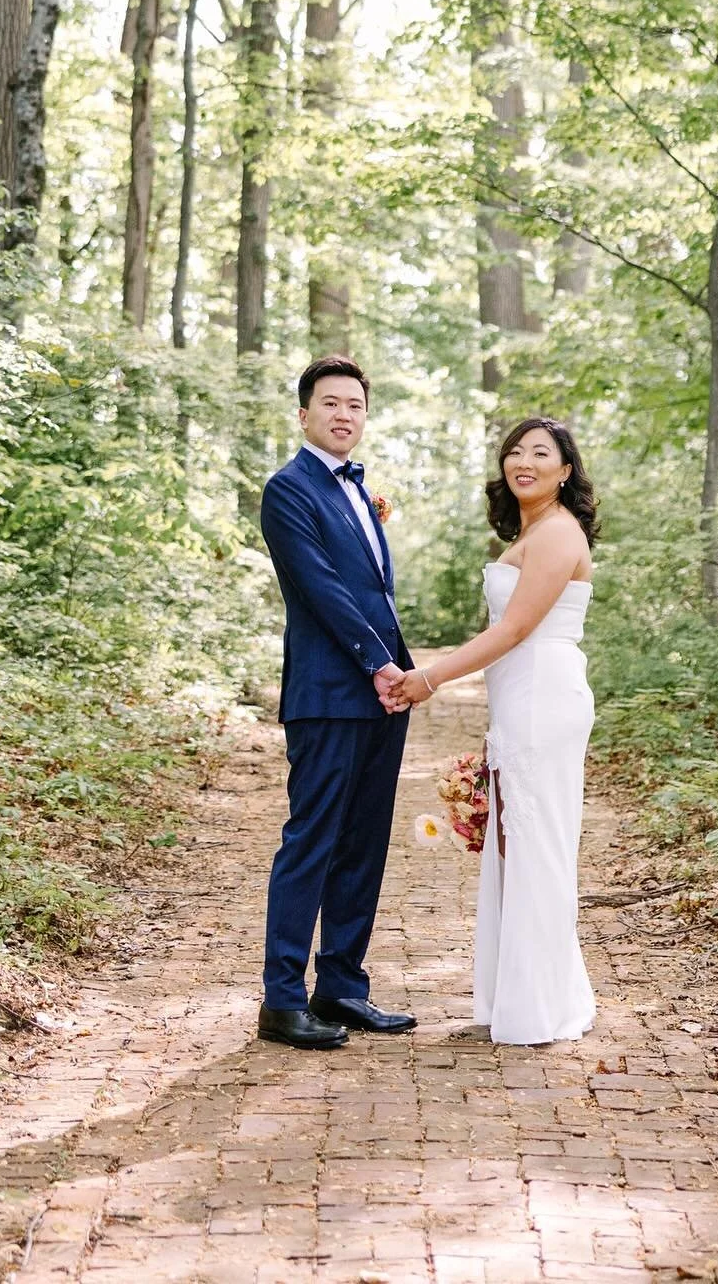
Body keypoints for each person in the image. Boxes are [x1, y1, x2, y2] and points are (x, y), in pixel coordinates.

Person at [394, 417, 599, 1045]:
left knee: (536, 846)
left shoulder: (559, 534)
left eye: (541, 453)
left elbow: (511, 632)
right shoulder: (532, 530)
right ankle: (517, 997)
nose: (524, 461)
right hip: (520, 698)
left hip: (544, 693)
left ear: (566, 471)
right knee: (515, 847)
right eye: (515, 451)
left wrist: (427, 678)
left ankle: (539, 1007)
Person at [257, 355, 416, 1051]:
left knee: (364, 843)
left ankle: (343, 985)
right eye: (330, 403)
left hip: (385, 695)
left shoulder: (361, 490)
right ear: (304, 414)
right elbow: (322, 589)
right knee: (313, 840)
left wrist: (398, 674)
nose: (343, 414)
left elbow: (376, 591)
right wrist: (378, 664)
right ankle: (282, 998)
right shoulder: (287, 489)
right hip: (328, 692)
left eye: (354, 404)